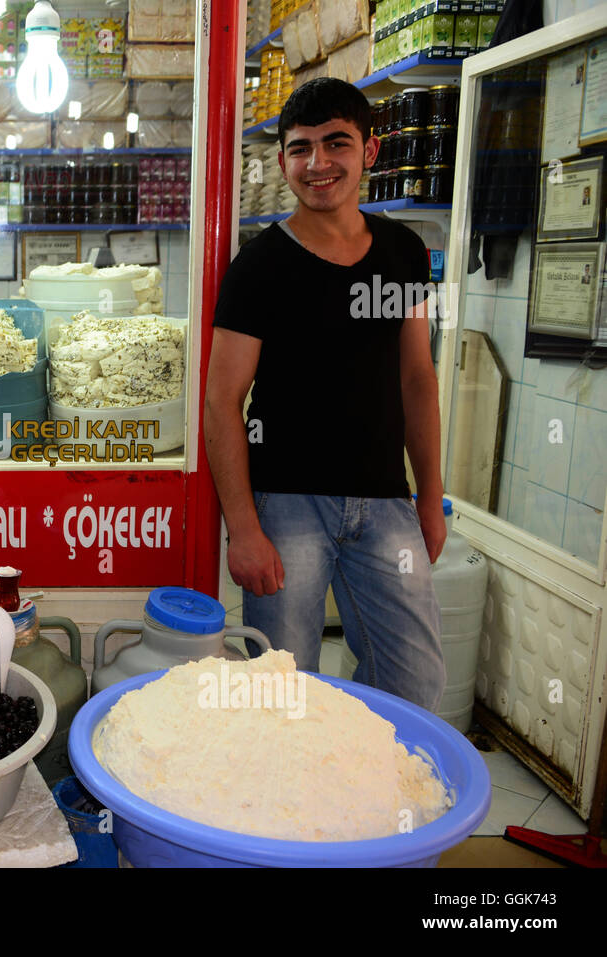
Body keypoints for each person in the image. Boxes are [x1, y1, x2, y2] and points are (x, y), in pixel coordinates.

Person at [204, 78, 446, 712]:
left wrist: (432, 497)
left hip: (386, 501)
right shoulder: (259, 268)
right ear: (283, 161)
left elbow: (417, 377)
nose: (317, 163)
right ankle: (286, 807)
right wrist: (243, 529)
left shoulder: (403, 253)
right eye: (299, 148)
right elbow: (221, 401)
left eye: (335, 143)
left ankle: (370, 798)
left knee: (414, 682)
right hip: (287, 504)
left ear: (369, 151)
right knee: (283, 690)